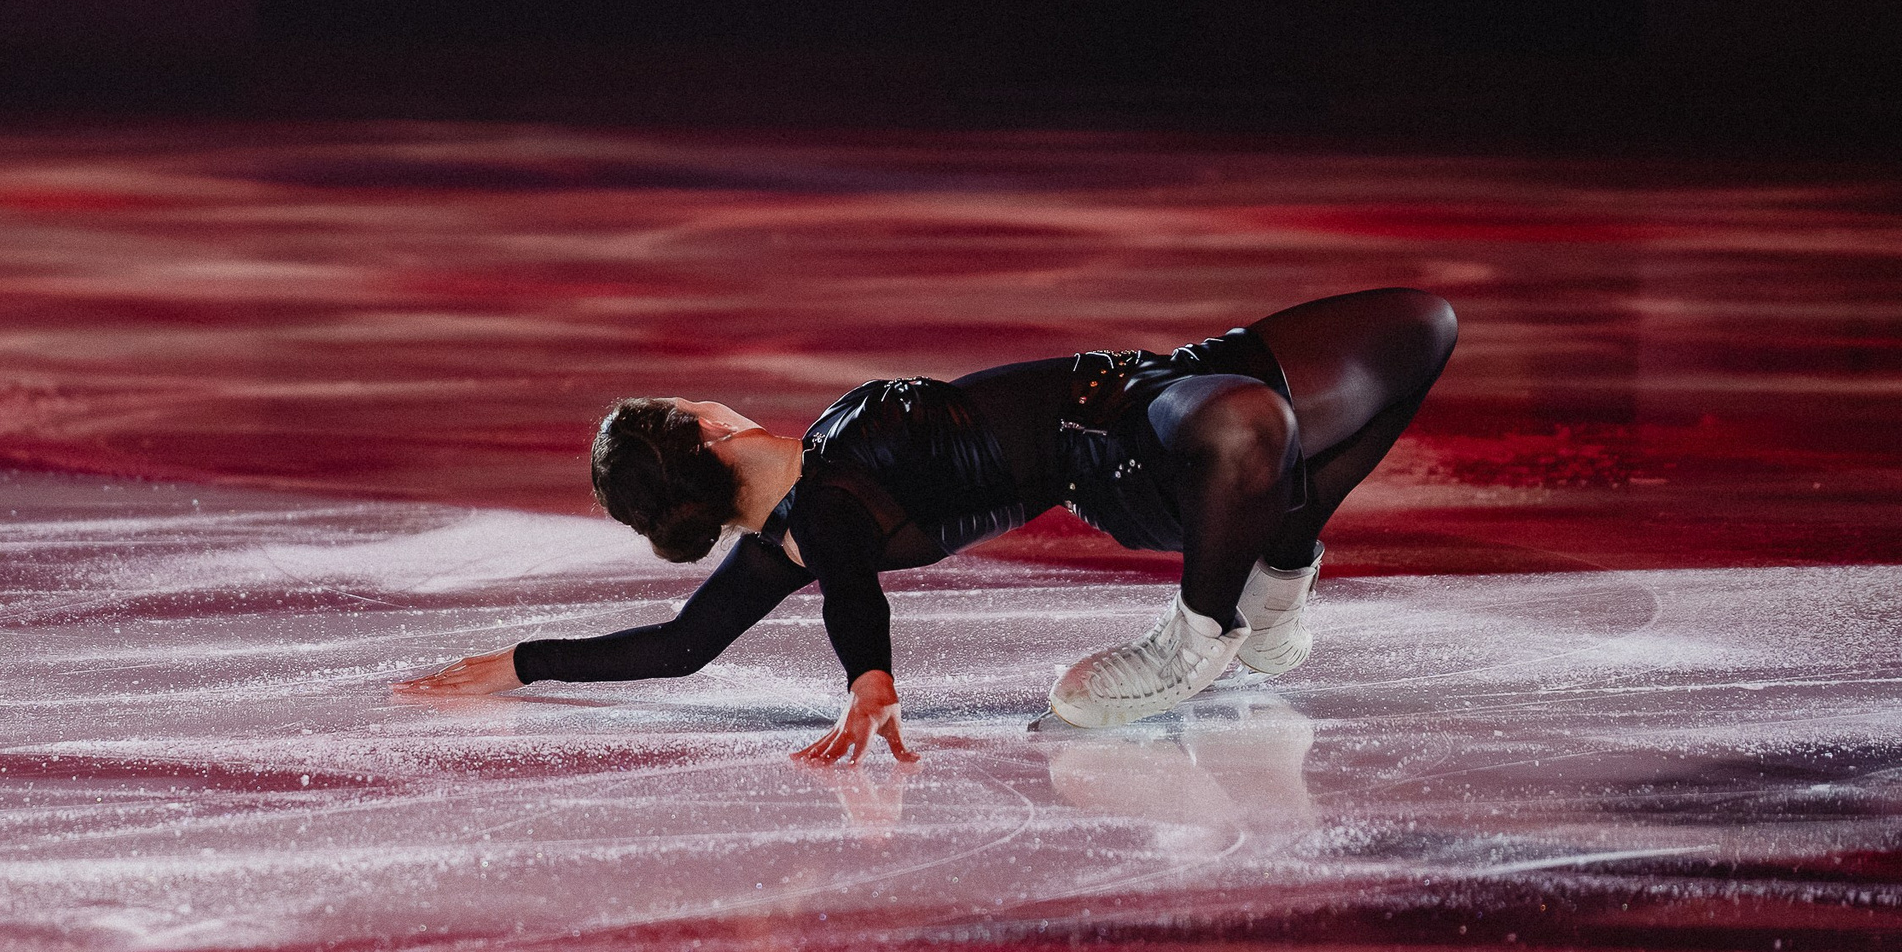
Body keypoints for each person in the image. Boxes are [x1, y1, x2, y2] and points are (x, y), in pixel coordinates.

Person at [395, 289, 1456, 762]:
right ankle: (1201, 630)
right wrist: (870, 680)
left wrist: (518, 663)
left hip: (1152, 380)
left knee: (1420, 326)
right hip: (1136, 457)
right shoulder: (827, 516)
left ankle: (1277, 568)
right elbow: (846, 591)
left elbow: (678, 646)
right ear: (705, 429)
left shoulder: (814, 485)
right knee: (1251, 425)